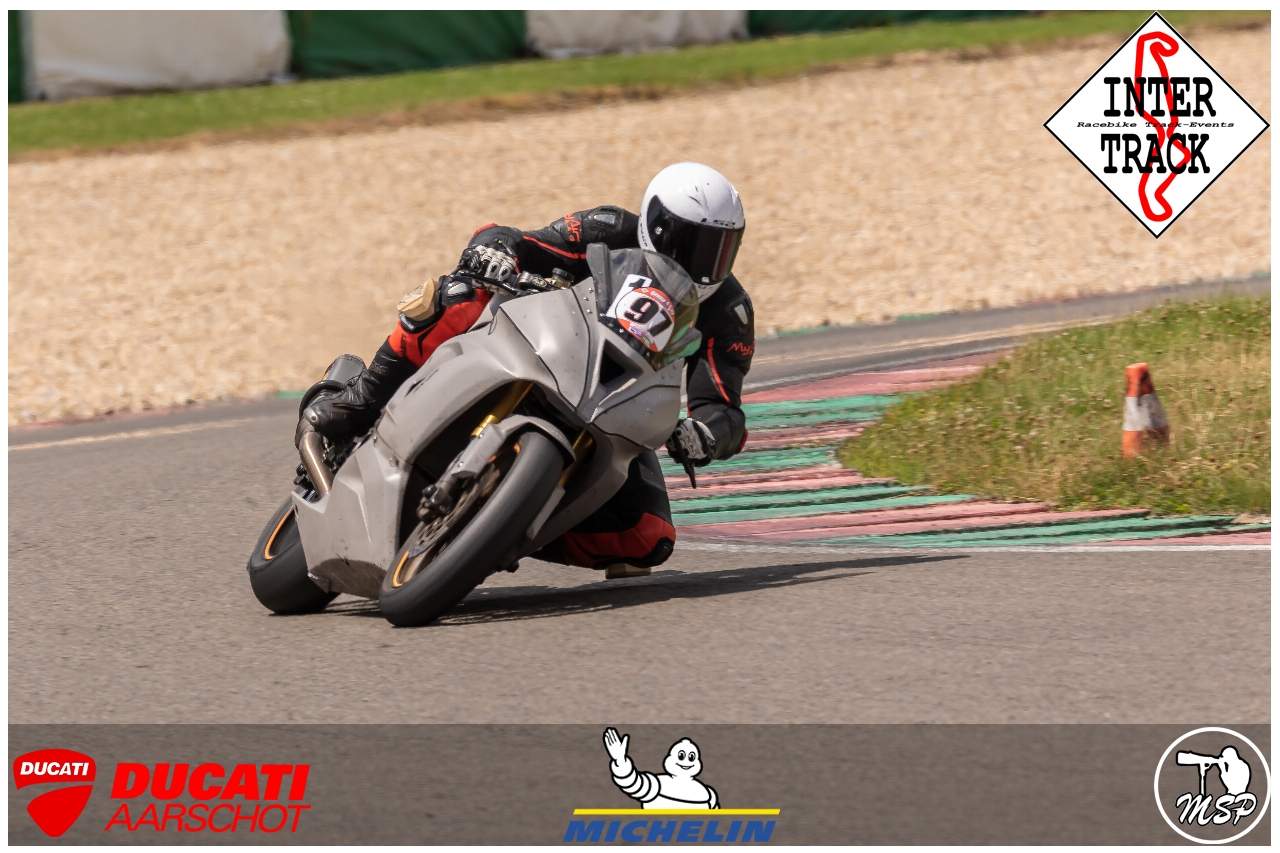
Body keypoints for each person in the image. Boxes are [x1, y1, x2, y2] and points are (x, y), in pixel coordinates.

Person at [302, 162, 755, 577]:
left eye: (721, 249)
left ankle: (499, 530)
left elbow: (724, 408)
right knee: (461, 293)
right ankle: (360, 400)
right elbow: (519, 239)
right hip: (540, 345)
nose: (705, 263)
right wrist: (496, 252)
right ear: (656, 226)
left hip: (616, 408)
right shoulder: (609, 229)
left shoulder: (728, 312)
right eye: (694, 244)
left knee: (647, 539)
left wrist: (706, 434)